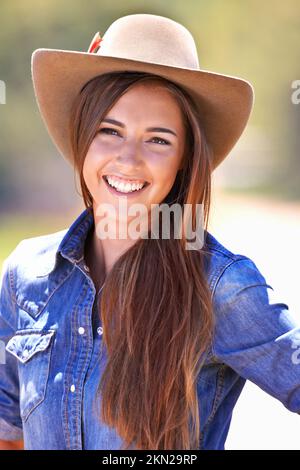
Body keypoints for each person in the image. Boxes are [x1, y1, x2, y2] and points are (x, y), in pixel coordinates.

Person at [0, 13, 300, 451]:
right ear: (82, 137)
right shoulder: (24, 276)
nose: (128, 159)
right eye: (109, 131)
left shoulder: (220, 286)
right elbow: (9, 435)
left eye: (158, 140)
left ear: (184, 158)